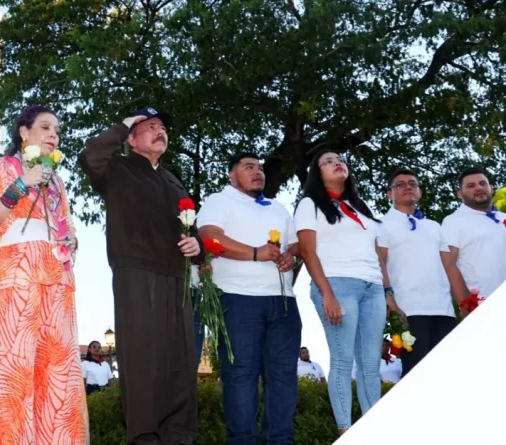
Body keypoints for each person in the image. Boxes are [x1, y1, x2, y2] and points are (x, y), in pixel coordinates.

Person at [79, 108, 203, 445]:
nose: (160, 131)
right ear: (132, 138)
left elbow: (195, 230)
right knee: (143, 358)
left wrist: (198, 245)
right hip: (135, 271)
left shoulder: (173, 179)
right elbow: (90, 155)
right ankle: (145, 437)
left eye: (163, 128)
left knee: (179, 361)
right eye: (150, 127)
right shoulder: (117, 168)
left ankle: (180, 436)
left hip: (176, 278)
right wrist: (125, 124)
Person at [0, 105, 88, 443]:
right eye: (45, 127)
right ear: (24, 133)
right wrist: (22, 184)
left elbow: (65, 225)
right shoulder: (1, 167)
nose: (53, 134)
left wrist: (72, 239)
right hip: (17, 276)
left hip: (55, 276)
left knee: (57, 371)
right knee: (15, 371)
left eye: (57, 130)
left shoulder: (57, 181)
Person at [198, 152, 301, 445]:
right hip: (237, 299)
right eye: (248, 167)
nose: (258, 172)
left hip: (283, 301)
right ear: (232, 176)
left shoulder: (278, 207)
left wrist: (290, 257)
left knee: (283, 376)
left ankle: (281, 440)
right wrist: (256, 253)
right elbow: (209, 237)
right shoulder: (220, 200)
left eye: (260, 168)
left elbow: (295, 244)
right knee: (241, 376)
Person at [294, 150, 386, 435]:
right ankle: (345, 429)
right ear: (317, 173)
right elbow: (308, 251)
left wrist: (387, 289)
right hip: (337, 285)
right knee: (343, 359)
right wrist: (327, 294)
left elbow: (377, 253)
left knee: (371, 364)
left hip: (373, 288)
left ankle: (376, 430)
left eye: (342, 160)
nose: (338, 164)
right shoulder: (309, 204)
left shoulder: (362, 208)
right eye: (329, 161)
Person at [378, 169, 456, 376]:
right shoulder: (381, 225)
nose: (407, 187)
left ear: (419, 191)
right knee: (417, 374)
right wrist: (390, 301)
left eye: (413, 183)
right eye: (400, 184)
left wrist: (464, 303)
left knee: (447, 373)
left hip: (444, 310)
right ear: (389, 194)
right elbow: (379, 263)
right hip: (409, 310)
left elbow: (449, 266)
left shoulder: (434, 226)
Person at [441, 167, 506, 312]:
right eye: (471, 186)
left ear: (491, 188)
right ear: (460, 194)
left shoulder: (503, 218)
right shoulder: (453, 221)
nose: (479, 188)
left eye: (483, 183)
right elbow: (448, 265)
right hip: (483, 306)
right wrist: (465, 304)